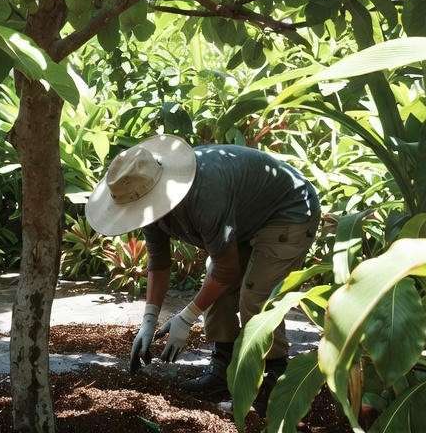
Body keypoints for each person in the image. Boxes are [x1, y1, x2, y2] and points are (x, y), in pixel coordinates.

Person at [85, 134, 320, 397]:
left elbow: (227, 269)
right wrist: (149, 320)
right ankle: (223, 371)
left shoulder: (204, 194)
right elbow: (159, 262)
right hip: (245, 219)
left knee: (255, 297)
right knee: (216, 288)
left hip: (289, 210)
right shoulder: (147, 204)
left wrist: (186, 318)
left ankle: (274, 377)